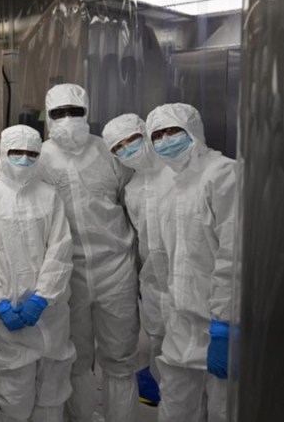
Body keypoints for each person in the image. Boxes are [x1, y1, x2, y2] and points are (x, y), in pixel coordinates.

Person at [0, 125, 76, 422]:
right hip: (7, 309)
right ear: (3, 153)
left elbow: (60, 251)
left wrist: (42, 298)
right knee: (13, 391)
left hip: (50, 311)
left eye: (31, 154)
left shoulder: (50, 196)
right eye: (17, 153)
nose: (24, 160)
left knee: (53, 388)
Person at [40, 83, 139, 422]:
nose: (67, 120)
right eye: (59, 113)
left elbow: (136, 202)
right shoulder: (37, 159)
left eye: (74, 112)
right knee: (76, 357)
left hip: (116, 268)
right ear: (48, 115)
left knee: (121, 358)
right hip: (68, 274)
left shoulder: (108, 153)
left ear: (87, 113)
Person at [145, 103, 236, 422]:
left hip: (220, 321)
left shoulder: (224, 173)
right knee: (175, 404)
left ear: (193, 131)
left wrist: (225, 323)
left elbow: (234, 253)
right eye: (157, 135)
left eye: (173, 131)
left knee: (223, 408)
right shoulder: (169, 185)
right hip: (182, 319)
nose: (166, 140)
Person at [102, 113, 173, 400]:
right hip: (155, 286)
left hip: (194, 285)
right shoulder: (132, 190)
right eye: (118, 147)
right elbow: (142, 239)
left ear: (145, 133)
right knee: (162, 356)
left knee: (202, 366)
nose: (127, 149)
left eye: (132, 140)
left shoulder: (178, 173)